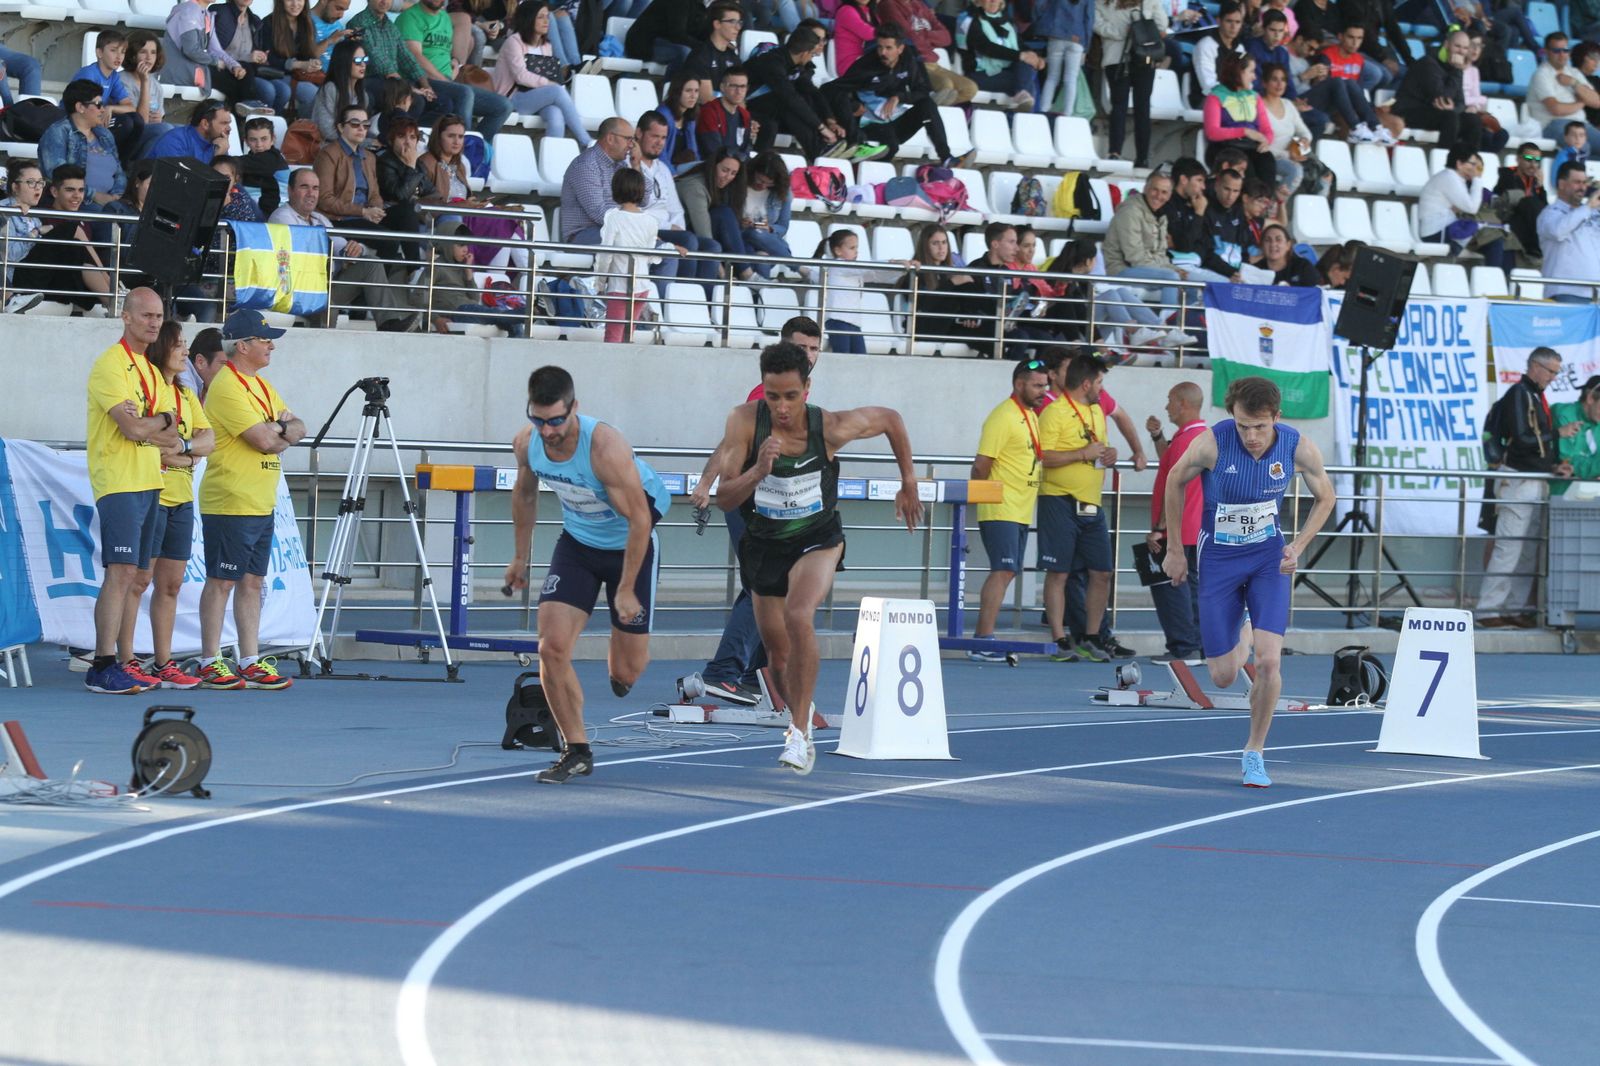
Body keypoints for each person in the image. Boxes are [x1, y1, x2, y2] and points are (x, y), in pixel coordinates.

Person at [703, 341, 923, 772]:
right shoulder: (744, 423)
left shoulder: (831, 427)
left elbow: (890, 420)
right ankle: (799, 707)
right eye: (772, 396)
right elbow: (725, 499)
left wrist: (909, 480)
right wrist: (758, 471)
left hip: (816, 538)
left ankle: (798, 733)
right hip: (765, 544)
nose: (781, 407)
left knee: (799, 615)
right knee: (778, 656)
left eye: (790, 395)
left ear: (807, 388)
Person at [1160, 375, 1336, 787]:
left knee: (1270, 662)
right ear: (1232, 417)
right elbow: (1174, 481)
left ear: (1276, 417)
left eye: (1259, 426)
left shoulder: (1297, 446)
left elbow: (1325, 496)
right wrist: (1173, 549)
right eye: (1243, 426)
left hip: (1267, 559)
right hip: (1219, 559)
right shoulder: (1212, 443)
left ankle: (1255, 750)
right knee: (1222, 674)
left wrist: (1297, 545)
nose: (1252, 436)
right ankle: (1245, 627)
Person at [501, 366, 671, 783]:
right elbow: (524, 494)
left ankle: (621, 670)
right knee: (551, 647)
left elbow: (640, 521)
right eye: (538, 419)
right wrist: (520, 557)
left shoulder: (606, 448)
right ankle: (576, 750)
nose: (548, 430)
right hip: (577, 544)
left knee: (626, 669)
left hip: (631, 541)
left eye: (556, 420)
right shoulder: (528, 443)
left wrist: (627, 589)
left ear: (574, 408)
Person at [687, 317, 825, 699]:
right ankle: (723, 670)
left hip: (777, 504)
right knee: (762, 583)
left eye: (814, 349)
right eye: (801, 348)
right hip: (748, 501)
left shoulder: (799, 394)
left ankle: (754, 676)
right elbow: (730, 444)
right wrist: (706, 483)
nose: (809, 355)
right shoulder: (764, 394)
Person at [196, 308, 305, 691]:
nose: (270, 345)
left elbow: (300, 428)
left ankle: (249, 660)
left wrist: (280, 430)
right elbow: (264, 441)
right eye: (263, 339)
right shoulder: (227, 386)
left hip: (259, 499)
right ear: (242, 346)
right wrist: (281, 429)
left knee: (252, 582)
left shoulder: (261, 385)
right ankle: (211, 660)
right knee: (222, 581)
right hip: (231, 498)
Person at [82, 288, 179, 694]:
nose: (154, 323)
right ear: (126, 317)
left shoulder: (152, 371)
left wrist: (157, 421)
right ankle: (102, 663)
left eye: (159, 316)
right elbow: (135, 428)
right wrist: (160, 420)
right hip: (119, 481)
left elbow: (172, 434)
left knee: (138, 576)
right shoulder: (111, 364)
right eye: (146, 316)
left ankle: (123, 660)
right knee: (119, 572)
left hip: (150, 480)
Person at [114, 321, 216, 691]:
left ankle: (162, 662)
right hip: (152, 493)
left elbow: (207, 440)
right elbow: (152, 440)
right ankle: (125, 659)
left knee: (170, 586)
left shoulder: (186, 394)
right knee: (137, 581)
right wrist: (179, 450)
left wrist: (184, 452)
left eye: (187, 345)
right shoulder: (150, 389)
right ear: (162, 349)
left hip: (182, 499)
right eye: (179, 345)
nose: (185, 352)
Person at [1036, 351, 1123, 661]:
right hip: (1058, 500)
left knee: (1102, 572)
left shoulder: (1096, 412)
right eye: (1099, 382)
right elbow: (1042, 457)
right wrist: (1082, 454)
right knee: (1058, 572)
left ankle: (1090, 635)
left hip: (1091, 503)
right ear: (1086, 384)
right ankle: (1060, 639)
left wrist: (1108, 454)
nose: (1102, 388)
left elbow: (1096, 449)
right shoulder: (1054, 412)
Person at [1477, 348, 1572, 626]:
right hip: (1518, 480)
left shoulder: (1533, 395)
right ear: (1535, 366)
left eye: (1556, 372)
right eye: (1551, 371)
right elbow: (1521, 438)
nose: (1553, 377)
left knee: (1528, 549)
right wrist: (1558, 433)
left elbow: (1531, 445)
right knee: (1509, 547)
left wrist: (1553, 467)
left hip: (1535, 478)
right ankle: (1489, 609)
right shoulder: (1518, 394)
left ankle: (1515, 606)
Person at [967, 359, 1048, 661]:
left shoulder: (1029, 415)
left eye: (1045, 385)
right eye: (1037, 385)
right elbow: (981, 465)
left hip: (1021, 509)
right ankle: (982, 639)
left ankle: (984, 636)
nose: (1043, 391)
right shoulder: (1003, 416)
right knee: (1002, 570)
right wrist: (983, 496)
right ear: (1019, 384)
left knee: (1008, 571)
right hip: (1001, 506)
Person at [271, 167, 418, 329]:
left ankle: (389, 323)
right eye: (304, 187)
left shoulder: (319, 219)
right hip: (297, 291)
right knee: (328, 309)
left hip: (325, 287)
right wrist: (337, 251)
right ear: (290, 190)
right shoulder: (281, 217)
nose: (311, 193)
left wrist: (357, 248)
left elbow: (340, 246)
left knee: (371, 263)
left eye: (315, 188)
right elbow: (306, 251)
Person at [826, 24, 967, 166]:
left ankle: (946, 158)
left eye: (888, 48)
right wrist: (853, 106)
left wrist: (899, 97)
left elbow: (923, 90)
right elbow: (830, 89)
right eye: (880, 47)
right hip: (870, 125)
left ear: (900, 49)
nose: (882, 52)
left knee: (927, 105)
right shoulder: (866, 66)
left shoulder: (909, 60)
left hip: (895, 120)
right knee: (890, 146)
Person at [1146, 381, 1206, 662]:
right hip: (1197, 528)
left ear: (1183, 403)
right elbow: (1169, 461)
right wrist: (1158, 436)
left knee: (1171, 587)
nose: (1166, 406)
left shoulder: (1185, 440)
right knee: (1193, 587)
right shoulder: (1202, 437)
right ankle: (1199, 646)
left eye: (1170, 400)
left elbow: (1175, 486)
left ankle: (1184, 647)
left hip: (1178, 530)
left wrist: (1159, 529)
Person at [398, 0, 513, 141]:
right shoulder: (410, 17)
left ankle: (477, 147)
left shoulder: (445, 18)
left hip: (447, 82)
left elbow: (445, 51)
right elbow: (414, 57)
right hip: (422, 81)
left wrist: (455, 62)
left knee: (503, 106)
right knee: (464, 93)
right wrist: (444, 79)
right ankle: (462, 151)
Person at [9, 166, 113, 313]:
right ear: (54, 192)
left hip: (68, 280)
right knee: (72, 231)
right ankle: (113, 296)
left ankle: (113, 297)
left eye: (81, 190)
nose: (77, 196)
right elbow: (13, 255)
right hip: (36, 279)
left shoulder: (84, 222)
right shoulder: (40, 214)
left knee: (78, 243)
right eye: (70, 190)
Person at [800, 229, 913, 354]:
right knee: (843, 358)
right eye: (852, 248)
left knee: (860, 359)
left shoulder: (851, 270)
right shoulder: (839, 265)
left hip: (854, 322)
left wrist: (902, 269)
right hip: (838, 321)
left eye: (857, 247)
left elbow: (876, 275)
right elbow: (866, 268)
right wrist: (892, 262)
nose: (856, 251)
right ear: (838, 251)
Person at [494, 2, 593, 145]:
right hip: (512, 99)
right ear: (529, 19)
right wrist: (550, 85)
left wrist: (554, 85)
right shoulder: (514, 42)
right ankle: (586, 141)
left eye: (547, 16)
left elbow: (550, 76)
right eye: (541, 17)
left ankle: (552, 160)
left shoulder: (546, 45)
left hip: (535, 97)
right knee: (557, 91)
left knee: (556, 116)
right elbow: (520, 76)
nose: (547, 21)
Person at [745, 29, 851, 160]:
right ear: (804, 53)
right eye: (812, 55)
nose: (811, 58)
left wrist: (829, 121)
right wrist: (821, 128)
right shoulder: (772, 62)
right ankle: (818, 149)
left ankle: (824, 145)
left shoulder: (795, 65)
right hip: (746, 105)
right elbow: (789, 98)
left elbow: (813, 93)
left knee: (805, 98)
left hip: (769, 108)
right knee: (787, 104)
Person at [596, 168, 666, 342]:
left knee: (613, 335)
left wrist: (600, 283)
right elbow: (652, 256)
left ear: (615, 190)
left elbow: (606, 255)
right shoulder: (650, 220)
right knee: (628, 334)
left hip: (620, 285)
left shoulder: (613, 217)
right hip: (642, 284)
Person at [1096, 0, 1166, 166]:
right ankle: (1142, 158)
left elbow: (1099, 26)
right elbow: (1162, 25)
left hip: (1117, 58)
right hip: (1142, 56)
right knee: (1142, 108)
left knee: (1119, 106)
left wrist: (1122, 32)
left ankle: (1115, 152)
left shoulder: (1102, 2)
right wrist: (1131, 30)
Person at [347, 0, 442, 120]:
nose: (384, 1)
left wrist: (426, 87)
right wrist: (409, 88)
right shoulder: (358, 23)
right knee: (416, 101)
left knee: (442, 102)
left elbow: (407, 58)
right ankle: (394, 134)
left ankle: (412, 133)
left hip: (392, 81)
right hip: (368, 79)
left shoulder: (390, 26)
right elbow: (380, 63)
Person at [1103, 171, 1182, 314]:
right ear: (1146, 188)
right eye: (1155, 189)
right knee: (1171, 278)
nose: (1159, 196)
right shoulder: (1130, 212)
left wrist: (1173, 268)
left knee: (1194, 282)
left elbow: (1160, 255)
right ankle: (1171, 326)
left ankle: (1190, 329)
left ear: (1170, 195)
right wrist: (1170, 271)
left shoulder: (1160, 214)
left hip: (1146, 270)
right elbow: (1135, 258)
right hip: (1121, 270)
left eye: (1164, 192)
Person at [39, 80, 128, 208]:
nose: (103, 110)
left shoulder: (105, 134)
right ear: (80, 107)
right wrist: (95, 196)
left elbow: (119, 172)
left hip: (109, 202)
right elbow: (57, 176)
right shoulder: (57, 132)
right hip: (78, 203)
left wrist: (116, 196)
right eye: (98, 105)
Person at [1418, 146, 1508, 270]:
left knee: (1496, 239)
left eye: (1478, 166)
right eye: (1472, 164)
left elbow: (1466, 206)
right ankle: (1493, 280)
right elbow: (1472, 208)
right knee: (1494, 240)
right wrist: (1477, 179)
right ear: (1459, 164)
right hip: (1436, 232)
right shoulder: (1449, 178)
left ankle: (1493, 277)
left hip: (1443, 228)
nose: (1475, 169)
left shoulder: (1453, 178)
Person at [1393, 30, 1484, 152]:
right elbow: (1441, 97)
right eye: (1457, 46)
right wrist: (1457, 70)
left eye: (1465, 48)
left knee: (1473, 120)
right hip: (1410, 111)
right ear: (1446, 45)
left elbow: (1461, 103)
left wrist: (1452, 108)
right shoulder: (1428, 63)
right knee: (1450, 118)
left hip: (1435, 112)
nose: (1461, 51)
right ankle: (1445, 162)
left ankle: (1467, 159)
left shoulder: (1455, 68)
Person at [560, 117, 647, 243]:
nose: (632, 145)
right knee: (637, 242)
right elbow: (599, 213)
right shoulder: (586, 165)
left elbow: (643, 200)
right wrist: (634, 227)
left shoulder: (622, 165)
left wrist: (637, 166)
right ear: (610, 138)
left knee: (669, 251)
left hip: (617, 230)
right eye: (628, 139)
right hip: (583, 234)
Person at [876, 0, 978, 104]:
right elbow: (909, 38)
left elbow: (946, 38)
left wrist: (922, 35)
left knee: (970, 88)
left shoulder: (918, 3)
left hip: (933, 63)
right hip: (913, 62)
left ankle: (931, 107)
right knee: (946, 85)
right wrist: (930, 38)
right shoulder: (889, 4)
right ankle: (927, 109)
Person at [1205, 53, 1277, 190]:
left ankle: (1264, 205)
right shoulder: (1215, 96)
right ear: (1238, 72)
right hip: (1224, 148)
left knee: (1267, 161)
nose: (1254, 77)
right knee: (1244, 166)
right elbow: (1212, 132)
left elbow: (1267, 130)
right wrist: (1245, 131)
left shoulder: (1254, 97)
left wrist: (1266, 141)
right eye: (1251, 71)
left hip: (1250, 146)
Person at [957, 0, 1045, 111]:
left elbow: (1020, 46)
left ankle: (1019, 107)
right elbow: (986, 47)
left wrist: (1036, 58)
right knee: (1025, 83)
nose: (993, 1)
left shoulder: (1005, 20)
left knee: (1025, 70)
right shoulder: (967, 18)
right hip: (978, 74)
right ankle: (1017, 120)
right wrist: (1021, 56)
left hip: (1005, 72)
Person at [213, 0, 292, 114]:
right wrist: (248, 57)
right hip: (226, 71)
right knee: (267, 90)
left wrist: (261, 57)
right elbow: (214, 51)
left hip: (248, 72)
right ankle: (251, 126)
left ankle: (267, 127)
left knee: (284, 90)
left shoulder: (254, 20)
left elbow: (254, 53)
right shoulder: (220, 12)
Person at [1316, 25, 1393, 143]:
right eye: (1351, 37)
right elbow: (1320, 85)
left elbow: (1359, 90)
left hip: (1350, 104)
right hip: (1330, 104)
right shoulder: (1327, 55)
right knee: (1352, 119)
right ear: (1340, 37)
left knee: (1388, 121)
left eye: (1359, 38)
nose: (1355, 43)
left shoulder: (1358, 59)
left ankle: (1377, 130)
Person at [1537, 161, 1600, 303]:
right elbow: (1559, 231)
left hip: (1596, 292)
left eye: (1584, 182)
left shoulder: (1591, 212)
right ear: (1561, 184)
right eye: (1577, 182)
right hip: (1567, 292)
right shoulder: (1549, 214)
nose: (1582, 187)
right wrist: (1588, 206)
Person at [163, 0, 250, 102]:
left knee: (244, 74)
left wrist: (234, 66)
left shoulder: (206, 15)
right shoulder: (188, 11)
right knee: (234, 86)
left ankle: (246, 110)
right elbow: (191, 50)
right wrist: (216, 62)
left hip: (196, 69)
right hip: (183, 73)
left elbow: (215, 49)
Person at [1529, 33, 1600, 145]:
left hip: (1581, 124)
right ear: (1546, 52)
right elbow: (1556, 109)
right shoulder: (1541, 74)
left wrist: (1574, 83)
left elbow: (1596, 101)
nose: (1562, 54)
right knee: (1582, 146)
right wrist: (1581, 102)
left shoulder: (1574, 73)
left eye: (1565, 50)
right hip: (1553, 124)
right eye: (1556, 51)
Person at [1259, 62, 1314, 198]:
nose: (1280, 84)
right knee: (1295, 170)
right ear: (1264, 83)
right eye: (1274, 79)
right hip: (1269, 157)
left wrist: (1302, 143)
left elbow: (1305, 132)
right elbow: (1260, 147)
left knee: (1324, 174)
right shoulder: (1258, 106)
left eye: (1283, 80)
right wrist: (1288, 154)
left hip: (1292, 153)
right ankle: (1273, 208)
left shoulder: (1288, 104)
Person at [262, 0, 325, 114]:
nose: (295, 4)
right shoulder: (269, 23)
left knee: (330, 91)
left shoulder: (307, 22)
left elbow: (308, 54)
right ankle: (303, 129)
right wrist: (298, 64)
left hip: (300, 75)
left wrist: (313, 64)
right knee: (312, 94)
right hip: (275, 75)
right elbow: (268, 60)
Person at [1031, 0, 1093, 114]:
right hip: (1077, 38)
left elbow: (1039, 5)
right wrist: (1086, 47)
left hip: (1056, 35)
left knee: (1052, 77)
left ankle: (1043, 110)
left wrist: (1040, 21)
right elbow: (1089, 19)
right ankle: (1067, 114)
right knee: (1071, 78)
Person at [312, 37, 379, 142]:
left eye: (365, 60)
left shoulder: (363, 96)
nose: (363, 65)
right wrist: (361, 141)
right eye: (357, 60)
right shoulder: (330, 89)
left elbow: (362, 129)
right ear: (343, 62)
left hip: (352, 147)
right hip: (327, 148)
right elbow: (327, 131)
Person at [1492, 141, 1549, 261]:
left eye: (1537, 160)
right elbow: (1511, 201)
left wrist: (1540, 187)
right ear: (1518, 159)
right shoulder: (1507, 176)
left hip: (1529, 226)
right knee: (1529, 202)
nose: (1533, 165)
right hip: (1510, 220)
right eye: (1528, 159)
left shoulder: (1536, 182)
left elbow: (1545, 209)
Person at [684, 2, 745, 105]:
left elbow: (740, 99)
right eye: (732, 22)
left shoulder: (734, 58)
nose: (738, 27)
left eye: (739, 22)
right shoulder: (700, 56)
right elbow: (707, 101)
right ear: (717, 24)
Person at [696, 64, 758, 160]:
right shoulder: (709, 111)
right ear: (722, 87)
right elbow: (714, 151)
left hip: (736, 166)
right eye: (733, 86)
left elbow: (746, 149)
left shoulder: (745, 114)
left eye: (743, 86)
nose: (739, 91)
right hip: (712, 167)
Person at [1552, 375, 1600, 496]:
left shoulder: (1597, 420)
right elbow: (1567, 462)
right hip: (1558, 496)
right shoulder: (1564, 414)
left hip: (1590, 498)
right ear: (1590, 398)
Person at [147, 98, 233, 163]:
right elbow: (181, 181)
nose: (229, 128)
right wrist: (217, 157)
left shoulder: (218, 143)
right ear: (205, 124)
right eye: (224, 123)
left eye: (229, 123)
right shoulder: (175, 140)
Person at [1193, 0, 1247, 99]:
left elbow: (1244, 81)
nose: (1233, 27)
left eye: (1237, 22)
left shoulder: (1240, 48)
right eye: (1229, 21)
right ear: (1218, 21)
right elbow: (1208, 85)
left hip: (1233, 100)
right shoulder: (1205, 45)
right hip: (1206, 100)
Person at [240, 115, 289, 214]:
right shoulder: (250, 160)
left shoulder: (273, 158)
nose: (259, 145)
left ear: (273, 139)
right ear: (246, 141)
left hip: (279, 211)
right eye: (253, 140)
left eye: (264, 139)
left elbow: (232, 163)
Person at [657, 73, 703, 175]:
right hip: (666, 171)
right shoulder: (663, 114)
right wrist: (673, 175)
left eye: (696, 91)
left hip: (681, 170)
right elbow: (660, 153)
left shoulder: (690, 116)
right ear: (677, 92)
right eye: (688, 91)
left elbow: (693, 150)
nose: (693, 96)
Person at [1252, 221, 1319, 284]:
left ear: (1288, 245)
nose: (1273, 244)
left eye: (1278, 240)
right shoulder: (1254, 270)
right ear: (1262, 246)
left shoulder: (1303, 267)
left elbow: (1316, 292)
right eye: (1267, 240)